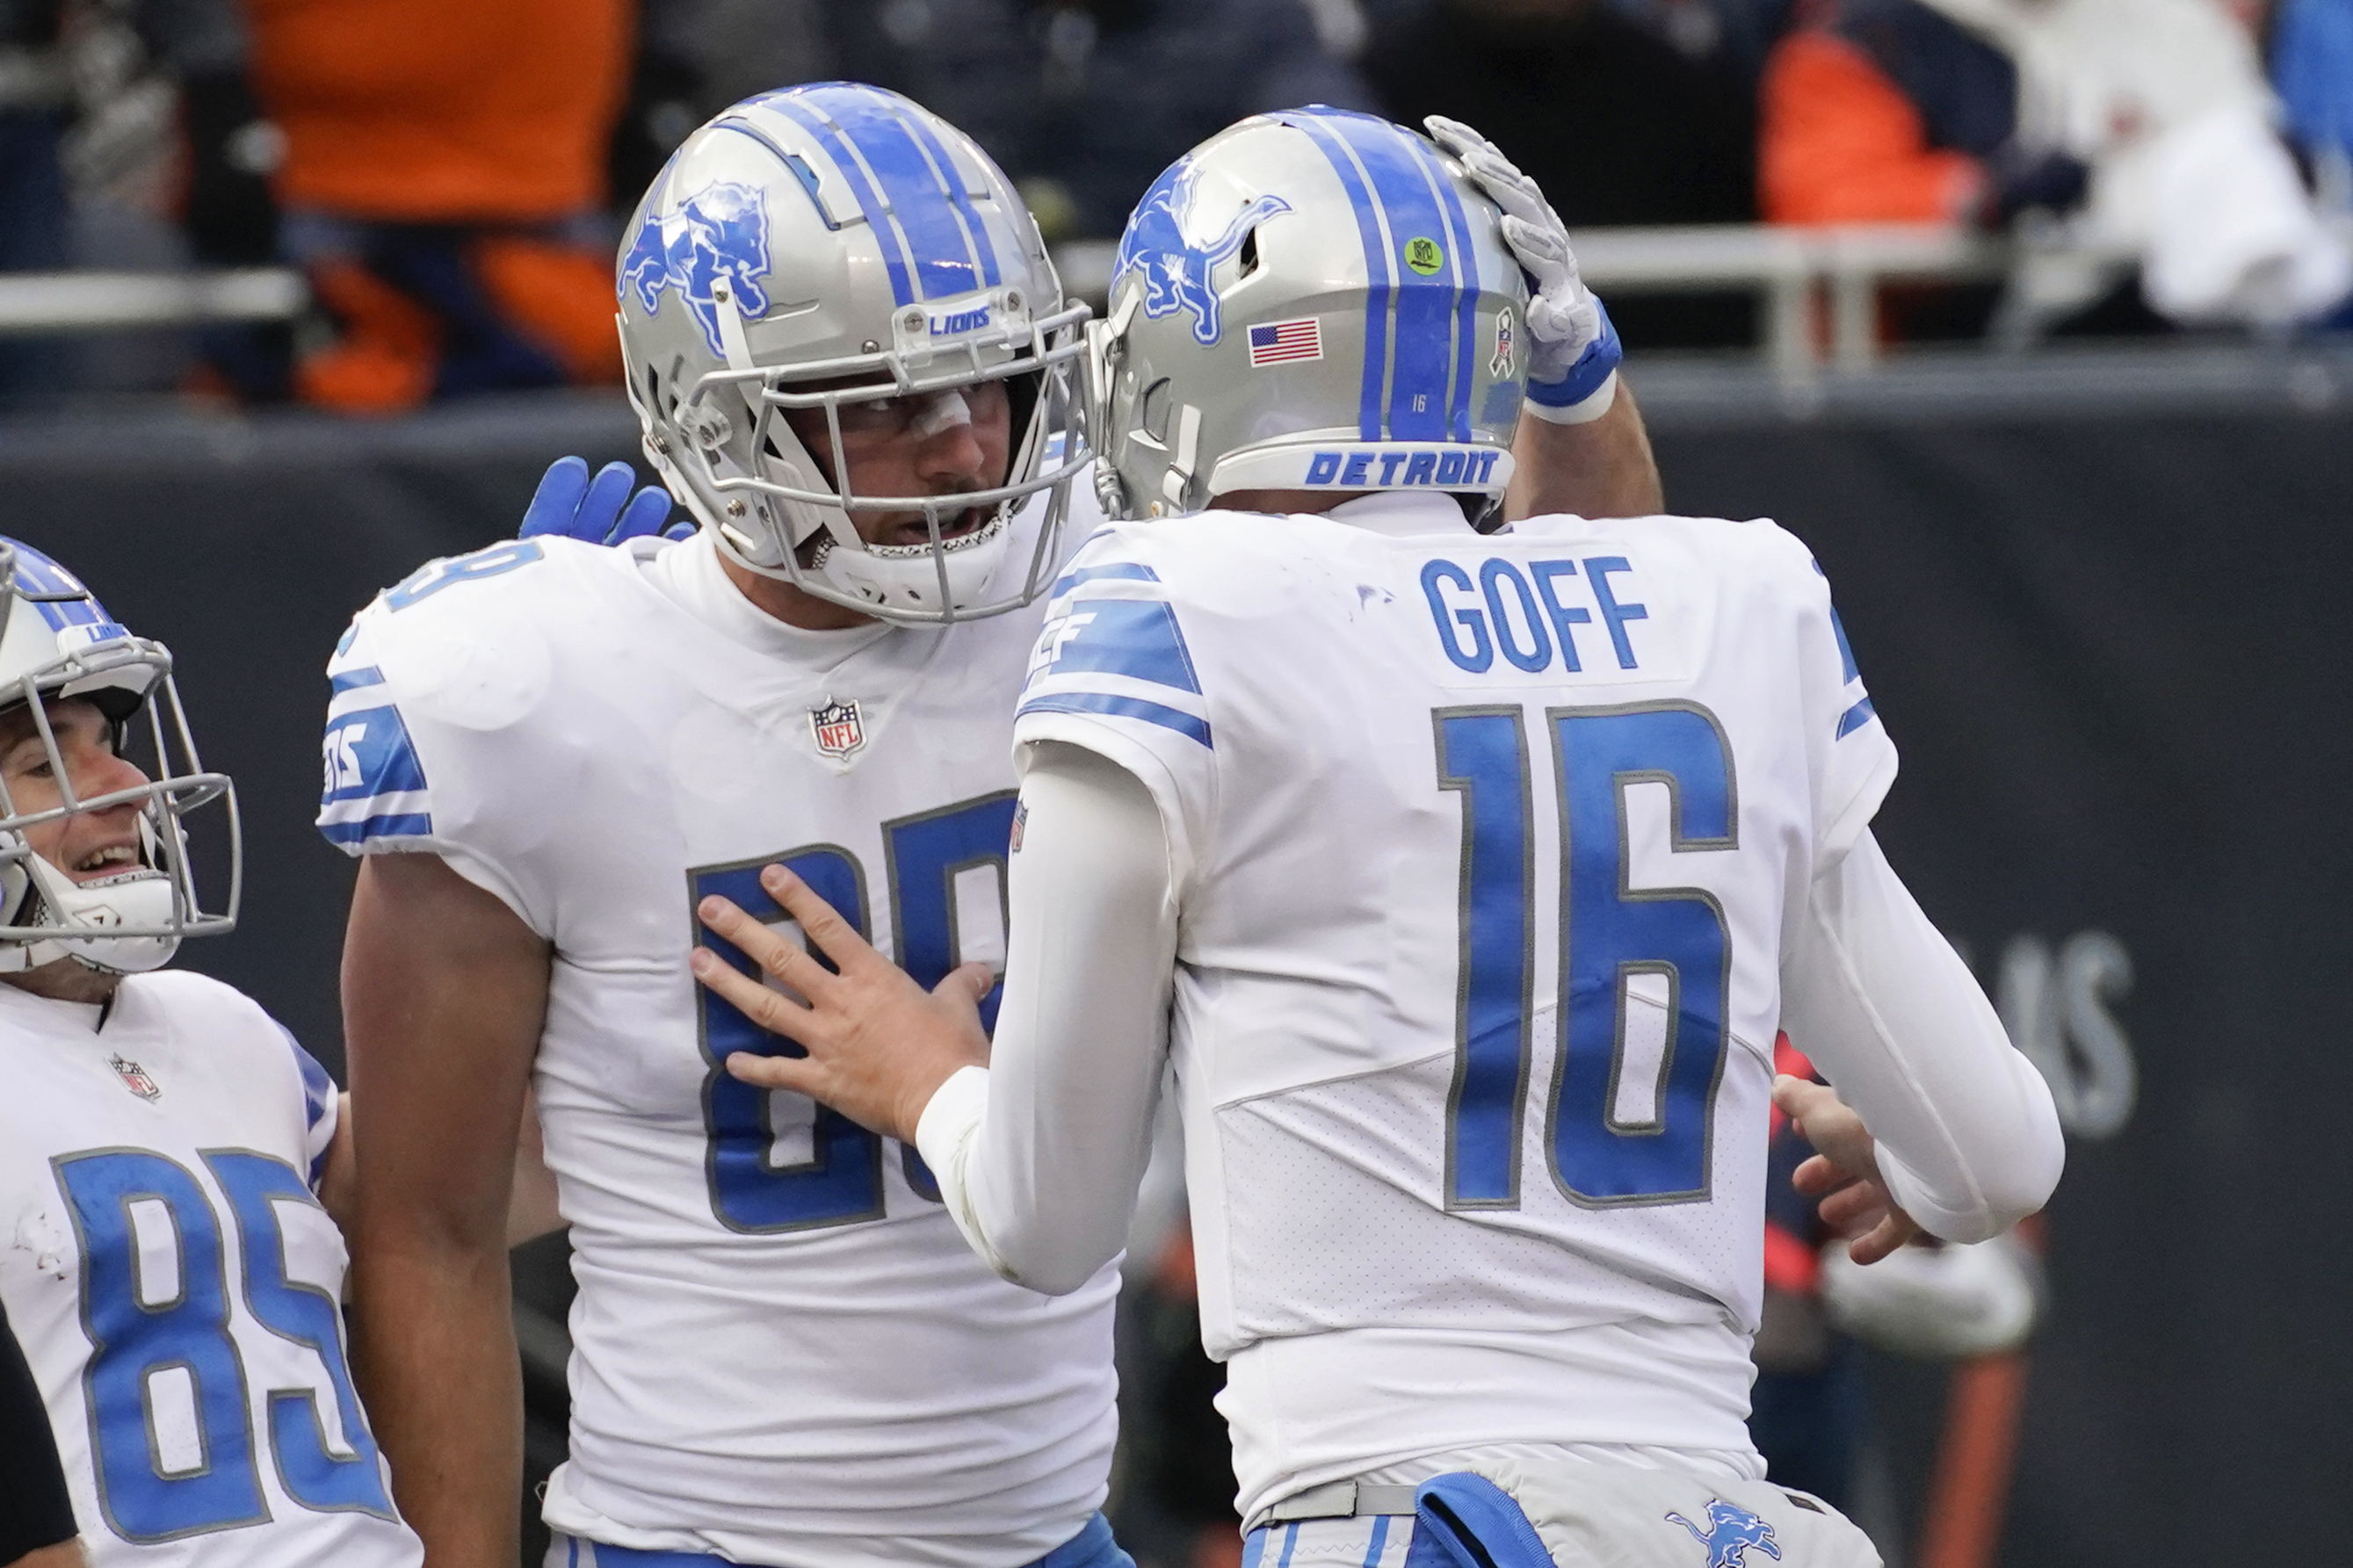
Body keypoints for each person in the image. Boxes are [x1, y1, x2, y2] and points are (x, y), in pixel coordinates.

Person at [691, 106, 2067, 1567]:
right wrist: (1906, 1170)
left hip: (1405, 1520)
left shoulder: (1175, 608)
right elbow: (1995, 1158)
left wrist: (924, 1080)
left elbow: (1046, 1215)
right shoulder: (1742, 594)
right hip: (1729, 1524)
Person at [323, 82, 1655, 1568]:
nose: (964, 450)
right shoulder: (532, 688)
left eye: (990, 383)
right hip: (690, 1540)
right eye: (889, 404)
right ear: (715, 415)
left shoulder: (1130, 574)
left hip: (1051, 1533)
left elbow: (1565, 635)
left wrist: (1568, 385)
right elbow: (424, 1227)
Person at [0, 539, 424, 1566]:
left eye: (106, 739)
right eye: (43, 756)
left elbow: (452, 1200)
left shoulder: (218, 1023)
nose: (123, 783)